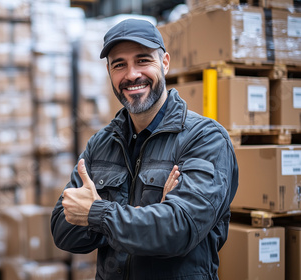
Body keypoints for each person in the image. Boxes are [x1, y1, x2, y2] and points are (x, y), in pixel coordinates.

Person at [50, 18, 239, 279]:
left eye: (143, 60)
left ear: (165, 63)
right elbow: (63, 230)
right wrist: (150, 218)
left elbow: (179, 230)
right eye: (119, 65)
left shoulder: (205, 139)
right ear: (109, 74)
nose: (131, 75)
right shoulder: (101, 144)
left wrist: (96, 212)